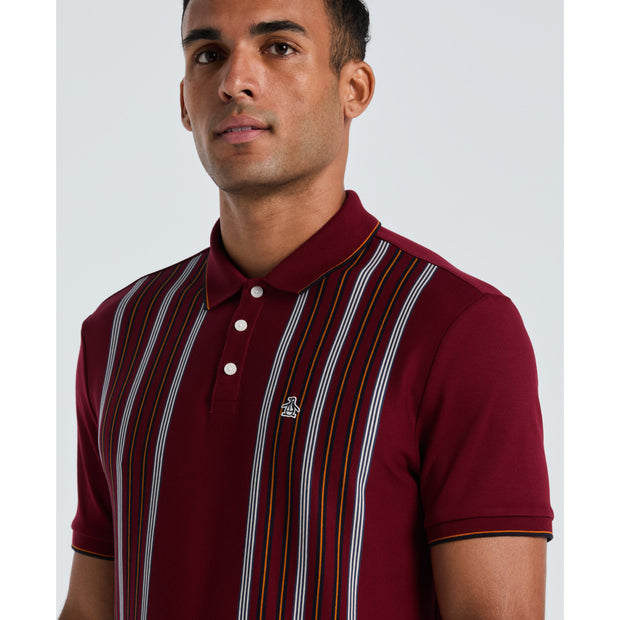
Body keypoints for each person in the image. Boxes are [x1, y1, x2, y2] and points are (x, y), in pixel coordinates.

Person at [60, 0, 553, 618]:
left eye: (279, 48)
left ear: (354, 89)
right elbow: (90, 607)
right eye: (208, 55)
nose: (234, 80)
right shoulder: (119, 331)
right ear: (185, 101)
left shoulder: (458, 327)